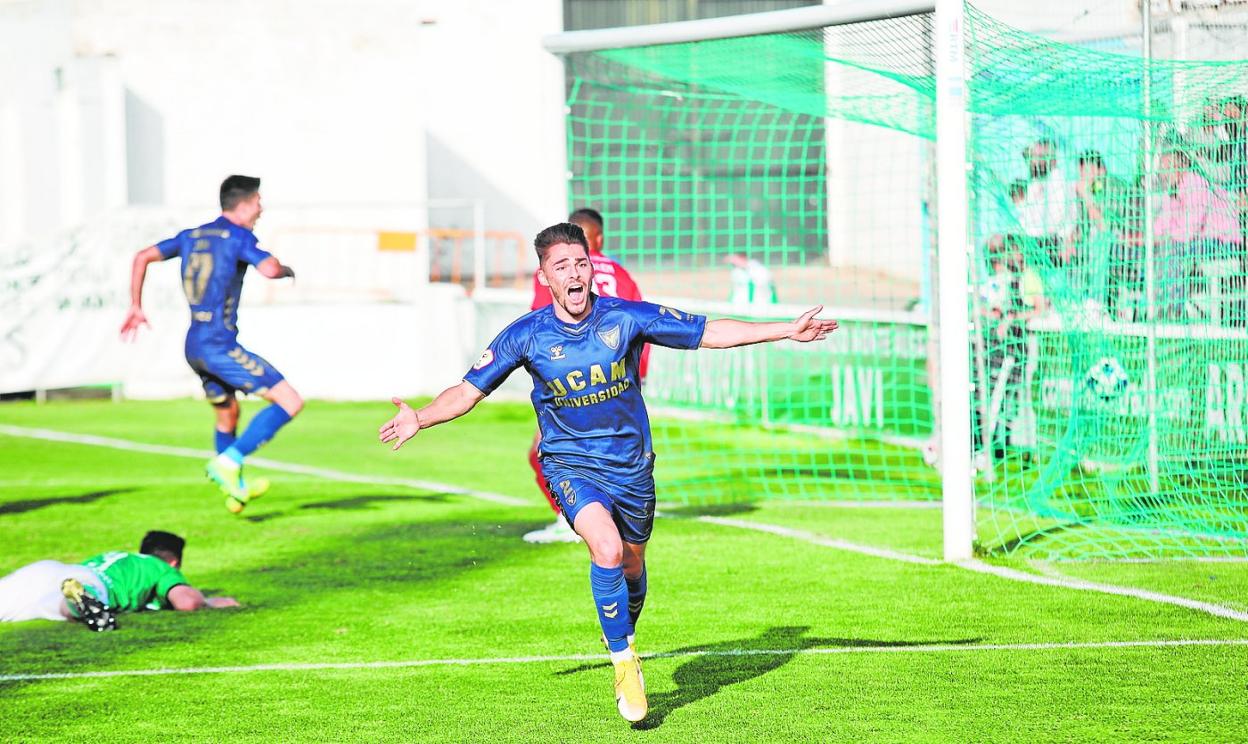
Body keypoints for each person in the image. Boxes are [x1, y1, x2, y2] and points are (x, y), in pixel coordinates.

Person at [378, 222, 837, 723]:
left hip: (632, 465)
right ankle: (625, 662)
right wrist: (419, 417)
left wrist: (785, 330)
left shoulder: (626, 318)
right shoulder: (526, 335)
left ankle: (621, 628)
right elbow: (467, 391)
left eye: (580, 263)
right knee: (608, 548)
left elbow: (709, 332)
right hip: (570, 464)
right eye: (562, 267)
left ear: (590, 267)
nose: (574, 274)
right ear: (544, 276)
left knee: (633, 564)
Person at [121, 175, 303, 514]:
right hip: (218, 343)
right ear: (245, 203)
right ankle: (229, 461)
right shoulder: (238, 237)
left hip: (195, 344)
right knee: (290, 401)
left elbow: (142, 256)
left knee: (227, 414)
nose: (261, 209)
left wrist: (135, 305)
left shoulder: (191, 235)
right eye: (259, 202)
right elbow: (268, 268)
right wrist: (285, 269)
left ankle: (234, 489)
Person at [523, 208, 648, 545]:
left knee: (545, 450)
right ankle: (609, 515)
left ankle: (573, 519)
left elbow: (541, 320)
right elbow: (642, 325)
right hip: (622, 379)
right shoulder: (620, 273)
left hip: (569, 379)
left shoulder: (556, 273)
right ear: (601, 239)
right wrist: (639, 378)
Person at [0, 531, 238, 631]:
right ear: (174, 562)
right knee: (60, 605)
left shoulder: (120, 557)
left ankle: (77, 597)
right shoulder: (161, 568)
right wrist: (208, 601)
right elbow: (187, 602)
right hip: (91, 583)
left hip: (47, 570)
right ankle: (76, 602)